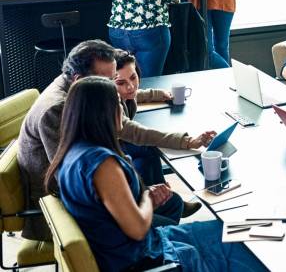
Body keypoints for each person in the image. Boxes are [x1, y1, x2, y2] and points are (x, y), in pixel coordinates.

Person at [44, 76, 264, 271]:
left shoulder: (71, 153)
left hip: (142, 247)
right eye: (118, 104)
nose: (122, 109)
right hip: (148, 258)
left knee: (236, 229)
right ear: (105, 113)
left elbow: (108, 209)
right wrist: (147, 198)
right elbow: (138, 229)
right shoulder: (103, 165)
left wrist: (142, 196)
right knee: (249, 247)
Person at [17, 40, 214, 240]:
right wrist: (135, 196)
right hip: (67, 209)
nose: (117, 92)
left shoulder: (81, 88)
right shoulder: (56, 110)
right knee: (176, 233)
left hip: (91, 192)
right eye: (110, 82)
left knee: (171, 204)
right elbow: (71, 180)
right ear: (79, 79)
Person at [113, 50, 203, 218]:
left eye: (133, 77)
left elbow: (133, 94)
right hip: (116, 149)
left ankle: (162, 196)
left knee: (149, 151)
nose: (131, 86)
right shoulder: (110, 104)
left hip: (122, 142)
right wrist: (186, 141)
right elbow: (140, 133)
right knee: (147, 143)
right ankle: (163, 203)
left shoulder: (122, 92)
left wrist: (156, 94)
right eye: (121, 82)